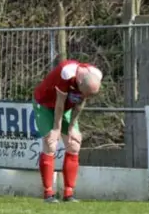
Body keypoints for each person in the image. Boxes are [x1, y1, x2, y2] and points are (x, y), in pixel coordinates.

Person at [33, 59, 102, 203]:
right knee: (51, 143)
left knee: (74, 144)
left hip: (66, 108)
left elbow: (80, 103)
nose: (86, 97)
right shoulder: (66, 73)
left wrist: (72, 127)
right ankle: (48, 194)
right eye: (85, 93)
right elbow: (59, 104)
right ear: (79, 82)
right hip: (46, 104)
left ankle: (68, 193)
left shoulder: (95, 76)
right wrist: (56, 129)